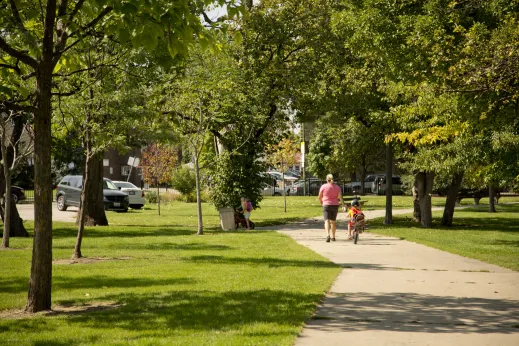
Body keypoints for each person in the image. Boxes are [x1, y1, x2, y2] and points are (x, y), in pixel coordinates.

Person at [318, 174, 345, 242]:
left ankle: (328, 235)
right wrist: (343, 205)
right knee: (333, 222)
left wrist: (321, 202)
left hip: (326, 205)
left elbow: (319, 196)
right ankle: (333, 237)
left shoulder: (323, 186)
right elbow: (340, 197)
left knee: (326, 221)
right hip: (335, 205)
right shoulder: (337, 187)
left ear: (327, 179)